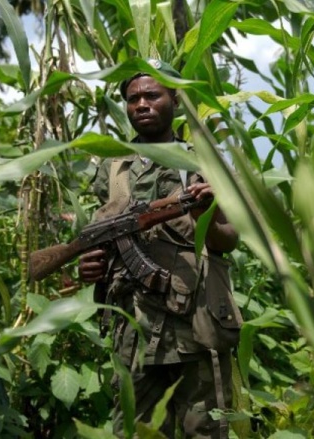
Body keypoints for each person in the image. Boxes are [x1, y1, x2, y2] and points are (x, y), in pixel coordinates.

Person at [78, 59, 242, 439]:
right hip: (133, 329)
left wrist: (207, 213)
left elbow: (229, 240)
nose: (142, 104)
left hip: (196, 324)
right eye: (133, 98)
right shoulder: (112, 166)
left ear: (175, 99)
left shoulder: (202, 160)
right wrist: (90, 267)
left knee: (204, 430)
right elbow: (103, 240)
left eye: (153, 95)